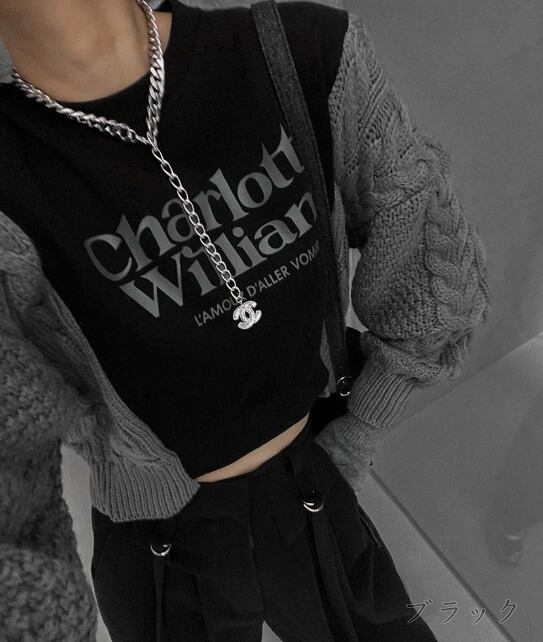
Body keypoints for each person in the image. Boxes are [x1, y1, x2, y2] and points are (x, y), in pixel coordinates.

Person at [0, 0, 491, 640]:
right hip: (157, 538)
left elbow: (431, 281)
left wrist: (360, 431)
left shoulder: (301, 52)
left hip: (316, 483)